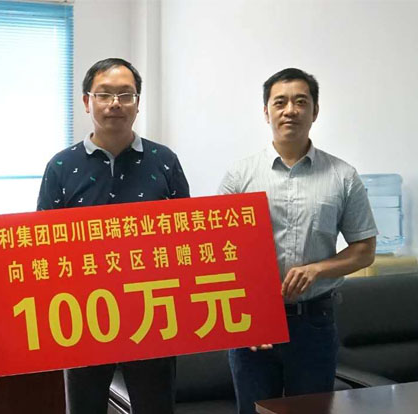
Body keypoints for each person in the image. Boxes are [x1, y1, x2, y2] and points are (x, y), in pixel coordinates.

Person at [219, 68, 377, 413]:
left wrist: (319, 268)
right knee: (254, 410)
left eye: (300, 101)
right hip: (252, 319)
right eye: (280, 102)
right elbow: (222, 253)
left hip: (314, 322)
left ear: (314, 111)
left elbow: (365, 251)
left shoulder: (343, 176)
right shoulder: (240, 176)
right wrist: (251, 313)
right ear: (267, 112)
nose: (290, 110)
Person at [37, 58, 190, 414]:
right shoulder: (61, 166)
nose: (115, 104)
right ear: (87, 102)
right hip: (83, 317)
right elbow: (43, 244)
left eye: (125, 95)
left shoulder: (164, 161)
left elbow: (186, 237)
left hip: (153, 314)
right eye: (104, 94)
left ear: (138, 102)